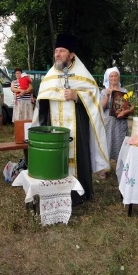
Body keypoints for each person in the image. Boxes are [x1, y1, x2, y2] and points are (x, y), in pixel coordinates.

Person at [32, 33, 109, 205]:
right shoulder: (51, 75)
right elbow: (42, 101)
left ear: (71, 54)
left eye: (61, 51)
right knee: (56, 156)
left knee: (78, 155)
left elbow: (93, 95)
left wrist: (77, 96)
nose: (57, 54)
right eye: (56, 51)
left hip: (78, 125)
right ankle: (55, 192)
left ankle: (79, 194)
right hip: (55, 125)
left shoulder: (82, 74)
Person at [100, 67, 133, 179]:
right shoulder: (104, 91)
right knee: (106, 144)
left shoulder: (124, 92)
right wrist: (108, 95)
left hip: (120, 122)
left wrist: (125, 112)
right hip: (108, 123)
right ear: (108, 78)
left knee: (121, 145)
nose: (114, 78)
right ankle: (104, 169)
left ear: (118, 77)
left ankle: (122, 169)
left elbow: (131, 107)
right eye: (111, 76)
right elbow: (101, 107)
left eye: (115, 76)